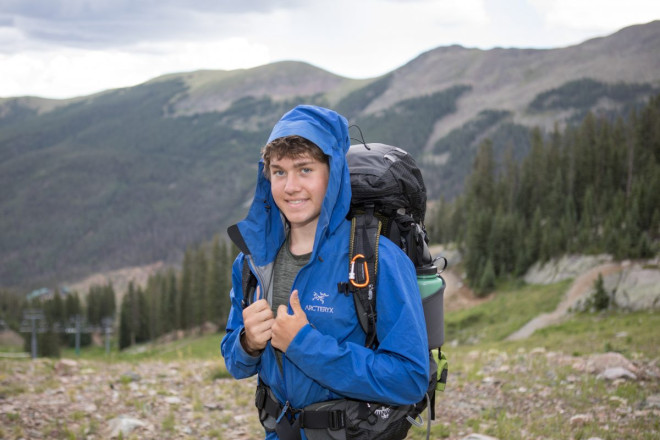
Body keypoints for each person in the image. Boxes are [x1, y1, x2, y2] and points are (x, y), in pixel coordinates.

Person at [221, 105, 429, 439]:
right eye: (279, 172)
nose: (290, 186)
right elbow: (234, 361)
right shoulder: (252, 262)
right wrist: (247, 343)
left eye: (305, 170)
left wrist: (303, 344)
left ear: (332, 175)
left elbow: (409, 379)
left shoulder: (378, 259)